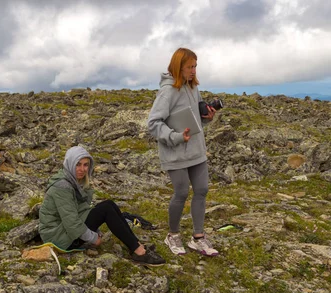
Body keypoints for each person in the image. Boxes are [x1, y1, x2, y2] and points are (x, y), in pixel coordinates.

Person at [39, 146, 165, 266]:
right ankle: (138, 252)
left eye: (85, 165)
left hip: (64, 231)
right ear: (69, 163)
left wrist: (94, 228)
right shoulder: (62, 187)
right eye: (78, 164)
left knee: (109, 204)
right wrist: (93, 238)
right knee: (106, 209)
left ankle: (136, 244)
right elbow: (71, 223)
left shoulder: (71, 181)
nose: (82, 169)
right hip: (58, 238)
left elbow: (81, 211)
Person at [147, 47, 219, 257]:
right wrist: (176, 137)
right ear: (179, 67)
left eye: (195, 66)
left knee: (202, 190)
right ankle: (173, 235)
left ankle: (198, 238)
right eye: (189, 67)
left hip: (196, 150)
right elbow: (153, 123)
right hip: (175, 153)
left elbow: (192, 121)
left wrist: (206, 118)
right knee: (181, 192)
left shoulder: (193, 88)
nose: (194, 71)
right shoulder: (168, 91)